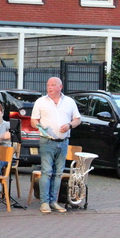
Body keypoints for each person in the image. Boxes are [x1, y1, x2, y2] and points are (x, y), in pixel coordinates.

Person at [31, 77, 81, 214]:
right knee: (47, 172)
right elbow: (33, 120)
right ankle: (44, 202)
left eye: (53, 85)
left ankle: (54, 201)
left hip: (63, 141)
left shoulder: (69, 102)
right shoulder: (41, 102)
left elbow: (77, 119)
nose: (50, 87)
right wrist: (40, 127)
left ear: (61, 87)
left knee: (58, 173)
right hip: (47, 140)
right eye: (48, 85)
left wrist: (70, 125)